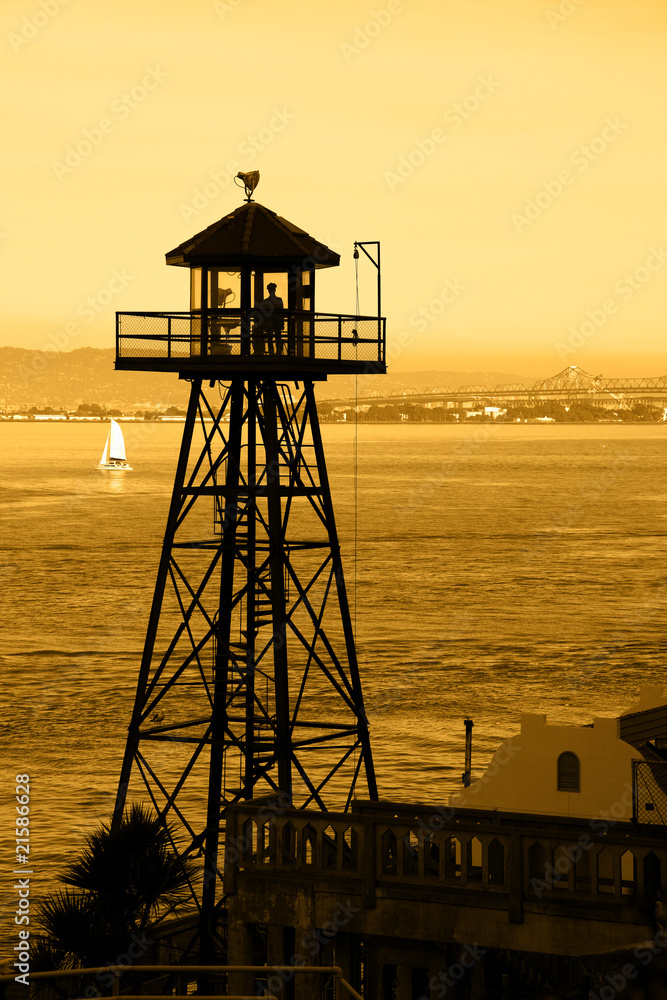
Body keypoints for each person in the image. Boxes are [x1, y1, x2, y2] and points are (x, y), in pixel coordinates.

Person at [254, 282, 284, 355]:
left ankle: (271, 352)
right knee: (277, 338)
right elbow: (281, 312)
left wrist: (264, 324)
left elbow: (264, 314)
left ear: (268, 290)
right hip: (277, 322)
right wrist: (282, 322)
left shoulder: (266, 301)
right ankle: (278, 352)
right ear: (275, 290)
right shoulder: (279, 300)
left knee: (270, 338)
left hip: (269, 322)